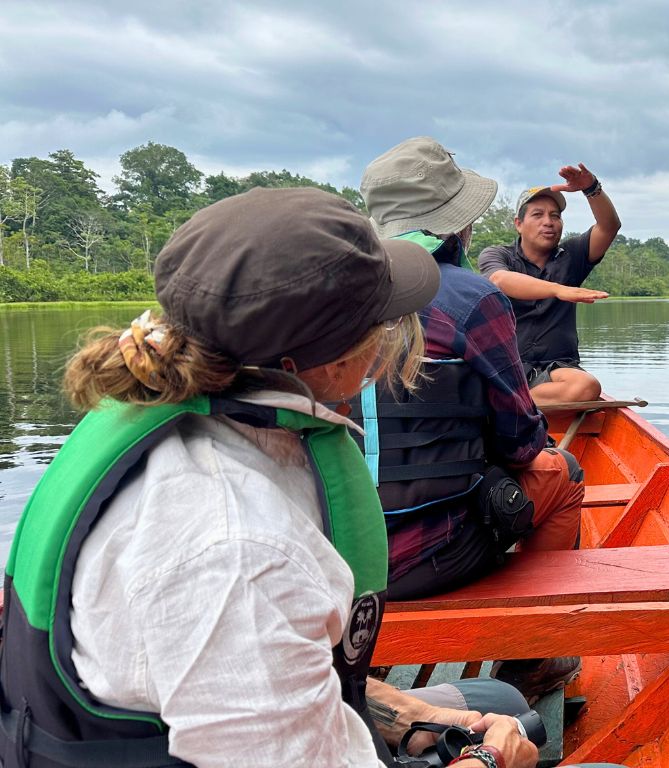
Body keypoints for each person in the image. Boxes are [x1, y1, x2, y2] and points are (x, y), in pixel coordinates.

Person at [0, 187, 540, 768]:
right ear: (330, 364)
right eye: (383, 322)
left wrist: (403, 714)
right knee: (522, 735)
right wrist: (487, 763)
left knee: (501, 701)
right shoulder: (237, 544)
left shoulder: (163, 415)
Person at [358, 137, 585, 701]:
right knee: (563, 472)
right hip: (429, 555)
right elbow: (522, 443)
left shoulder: (323, 298)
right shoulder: (471, 295)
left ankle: (372, 659)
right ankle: (531, 657)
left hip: (333, 565)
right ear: (458, 228)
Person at [478, 165, 621, 407]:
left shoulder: (573, 255)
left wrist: (591, 188)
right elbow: (499, 280)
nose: (549, 222)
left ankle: (505, 409)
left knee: (586, 386)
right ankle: (511, 408)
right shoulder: (497, 255)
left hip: (558, 371)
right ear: (518, 224)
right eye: (538, 215)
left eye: (555, 215)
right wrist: (559, 289)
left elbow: (609, 227)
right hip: (507, 369)